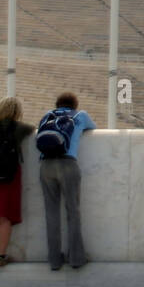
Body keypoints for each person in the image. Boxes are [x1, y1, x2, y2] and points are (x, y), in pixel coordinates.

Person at [36, 92, 96, 271]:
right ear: (75, 104)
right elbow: (93, 128)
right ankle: (76, 258)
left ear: (57, 103)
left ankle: (54, 260)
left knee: (51, 213)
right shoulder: (80, 115)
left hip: (46, 166)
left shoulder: (48, 115)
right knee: (73, 211)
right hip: (68, 163)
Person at [0, 97, 34, 267]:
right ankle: (2, 256)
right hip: (10, 175)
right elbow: (32, 128)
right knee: (5, 216)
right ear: (17, 112)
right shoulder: (20, 129)